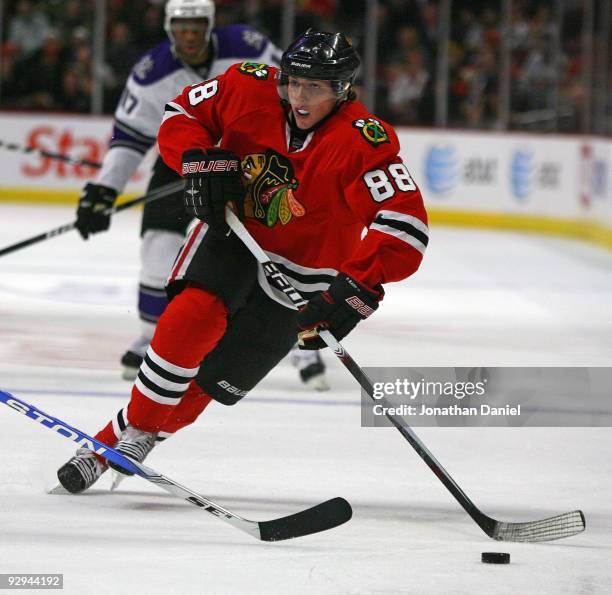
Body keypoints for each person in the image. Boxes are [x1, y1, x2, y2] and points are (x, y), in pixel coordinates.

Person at [57, 29, 429, 494]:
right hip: (234, 232)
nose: (299, 95)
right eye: (294, 81)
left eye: (314, 87)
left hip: (308, 274)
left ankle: (119, 441)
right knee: (193, 317)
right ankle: (136, 434)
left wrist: (358, 286)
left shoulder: (364, 142)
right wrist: (195, 157)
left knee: (214, 382)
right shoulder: (246, 84)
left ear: (342, 89)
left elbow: (406, 227)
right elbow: (181, 112)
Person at [72, 0, 327, 389]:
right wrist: (103, 190)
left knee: (275, 251)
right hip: (185, 160)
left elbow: (296, 89)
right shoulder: (151, 73)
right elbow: (129, 137)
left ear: (208, 25)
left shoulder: (248, 46)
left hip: (255, 161)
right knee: (157, 249)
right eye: (181, 28)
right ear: (169, 28)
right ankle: (152, 337)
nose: (189, 36)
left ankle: (295, 344)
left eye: (196, 27)